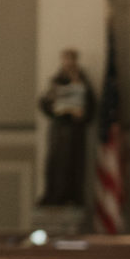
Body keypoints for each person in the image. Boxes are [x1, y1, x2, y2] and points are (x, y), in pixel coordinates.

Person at [37, 47, 95, 208]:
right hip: (59, 129)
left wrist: (81, 113)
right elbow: (44, 103)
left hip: (74, 132)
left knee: (73, 165)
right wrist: (53, 103)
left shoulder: (83, 82)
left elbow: (90, 107)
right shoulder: (56, 81)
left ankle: (71, 195)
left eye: (71, 59)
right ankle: (53, 194)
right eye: (66, 59)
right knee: (55, 164)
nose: (68, 63)